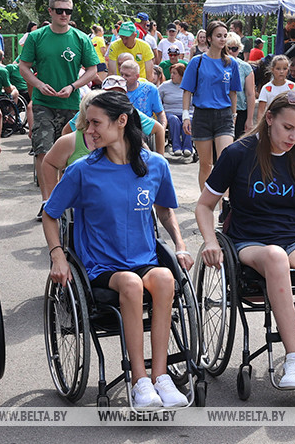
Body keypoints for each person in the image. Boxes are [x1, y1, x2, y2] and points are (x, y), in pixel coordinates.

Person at [43, 91, 193, 409]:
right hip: (99, 267)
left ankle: (161, 377)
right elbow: (50, 212)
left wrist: (179, 246)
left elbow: (165, 211)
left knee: (166, 278)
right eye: (86, 123)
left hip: (142, 258)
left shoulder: (155, 165)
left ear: (121, 121)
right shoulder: (82, 170)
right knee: (130, 283)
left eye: (95, 123)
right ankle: (140, 381)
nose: (88, 131)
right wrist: (57, 255)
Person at [195, 91, 295, 389]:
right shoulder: (238, 153)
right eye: (287, 128)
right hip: (249, 242)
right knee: (276, 255)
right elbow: (204, 205)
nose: (294, 136)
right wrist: (210, 241)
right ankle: (293, 357)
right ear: (269, 119)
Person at [19, 0, 99, 221]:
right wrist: (38, 84)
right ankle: (48, 201)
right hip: (44, 102)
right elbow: (23, 66)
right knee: (43, 148)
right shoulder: (37, 37)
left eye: (68, 11)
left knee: (73, 151)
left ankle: (70, 197)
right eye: (60, 10)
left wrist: (73, 86)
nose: (64, 14)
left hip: (72, 104)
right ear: (51, 12)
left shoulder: (80, 38)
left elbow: (93, 70)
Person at [180, 21, 242, 191]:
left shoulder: (231, 63)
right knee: (206, 165)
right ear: (209, 38)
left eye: (224, 36)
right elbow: (187, 91)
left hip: (224, 116)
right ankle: (206, 204)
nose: (222, 39)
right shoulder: (197, 62)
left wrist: (234, 115)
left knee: (225, 161)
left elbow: (233, 93)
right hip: (202, 116)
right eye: (218, 36)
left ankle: (225, 206)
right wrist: (186, 116)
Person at [61, 75, 166, 156]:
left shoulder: (131, 112)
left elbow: (158, 129)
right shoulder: (89, 111)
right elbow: (66, 132)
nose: (114, 97)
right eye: (110, 93)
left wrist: (160, 159)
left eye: (119, 93)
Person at [226, 32, 257, 138]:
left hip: (240, 111)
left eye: (234, 49)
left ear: (239, 49)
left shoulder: (245, 67)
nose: (230, 51)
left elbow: (250, 94)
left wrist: (249, 119)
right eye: (227, 48)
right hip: (221, 110)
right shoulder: (216, 65)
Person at [159, 64, 193, 157]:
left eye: (175, 73)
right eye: (171, 73)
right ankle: (176, 147)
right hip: (170, 112)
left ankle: (187, 148)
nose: (172, 76)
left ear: (182, 75)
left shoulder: (189, 85)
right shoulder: (165, 86)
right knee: (174, 120)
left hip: (187, 113)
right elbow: (157, 100)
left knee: (189, 119)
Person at [120, 60, 167, 128]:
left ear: (137, 76)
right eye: (122, 74)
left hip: (145, 128)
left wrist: (162, 129)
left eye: (127, 75)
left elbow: (160, 113)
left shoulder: (150, 89)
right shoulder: (117, 90)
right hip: (124, 128)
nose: (123, 78)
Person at [256, 55, 295, 125]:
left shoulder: (293, 87)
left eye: (284, 69)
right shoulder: (266, 88)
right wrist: (259, 128)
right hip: (271, 123)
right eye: (278, 69)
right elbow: (261, 111)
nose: (281, 71)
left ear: (288, 69)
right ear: (272, 69)